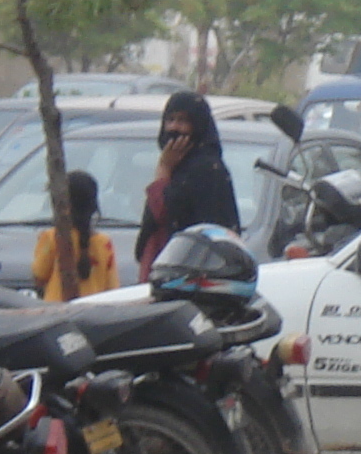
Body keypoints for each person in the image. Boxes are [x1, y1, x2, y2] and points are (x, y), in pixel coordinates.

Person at [135, 90, 240, 281]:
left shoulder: (208, 170)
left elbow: (167, 212)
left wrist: (163, 171)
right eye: (170, 119)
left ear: (198, 126)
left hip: (189, 279)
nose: (174, 128)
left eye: (183, 121)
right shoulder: (175, 166)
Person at [33, 171, 117, 301]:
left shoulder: (52, 237)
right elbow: (112, 287)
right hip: (95, 315)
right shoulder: (105, 243)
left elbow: (39, 276)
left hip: (56, 314)